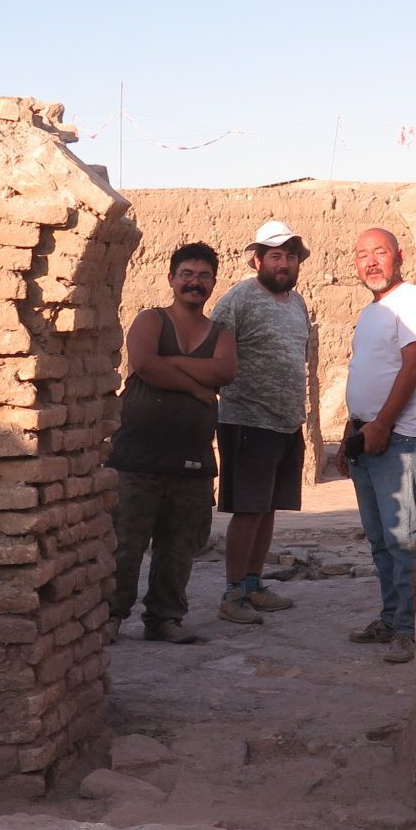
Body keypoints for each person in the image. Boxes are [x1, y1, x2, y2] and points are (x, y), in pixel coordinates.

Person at [105, 242, 237, 643]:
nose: (194, 283)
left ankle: (164, 619)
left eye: (203, 277)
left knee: (179, 548)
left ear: (213, 283)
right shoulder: (151, 320)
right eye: (187, 275)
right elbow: (143, 364)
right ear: (171, 279)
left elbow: (226, 371)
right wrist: (198, 388)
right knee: (124, 546)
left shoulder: (220, 333)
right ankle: (109, 616)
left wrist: (173, 364)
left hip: (192, 462)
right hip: (136, 459)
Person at [336, 227, 416, 664]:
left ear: (399, 256)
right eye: (362, 255)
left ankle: (408, 630)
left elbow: (414, 366)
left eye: (379, 253)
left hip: (397, 437)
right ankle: (392, 616)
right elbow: (367, 376)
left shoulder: (411, 299)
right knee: (379, 540)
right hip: (368, 435)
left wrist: (382, 425)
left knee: (401, 539)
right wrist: (350, 434)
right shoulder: (372, 311)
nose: (371, 262)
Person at [207, 220, 313, 625]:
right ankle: (232, 592)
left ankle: (254, 585)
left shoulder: (298, 303)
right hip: (248, 419)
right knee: (249, 510)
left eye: (290, 256)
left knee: (269, 509)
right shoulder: (239, 298)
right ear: (258, 260)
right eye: (275, 256)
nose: (283, 263)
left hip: (287, 423)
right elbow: (212, 349)